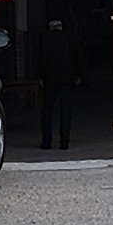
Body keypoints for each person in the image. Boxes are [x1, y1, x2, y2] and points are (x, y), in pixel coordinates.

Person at [38, 10, 77, 152]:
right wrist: (76, 75)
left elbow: (41, 59)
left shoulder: (44, 38)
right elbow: (75, 57)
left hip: (49, 79)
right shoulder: (69, 37)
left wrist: (41, 76)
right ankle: (64, 142)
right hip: (66, 79)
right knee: (65, 112)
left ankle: (46, 141)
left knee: (47, 111)